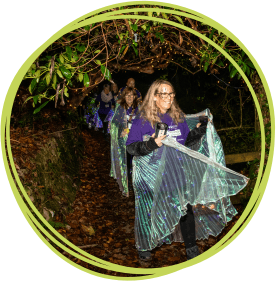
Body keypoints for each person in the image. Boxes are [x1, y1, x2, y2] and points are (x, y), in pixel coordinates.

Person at [126, 80, 249, 262]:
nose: (168, 98)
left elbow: (186, 143)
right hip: (151, 177)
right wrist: (151, 144)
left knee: (185, 210)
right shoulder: (142, 120)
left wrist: (198, 132)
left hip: (176, 174)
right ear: (154, 96)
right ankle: (145, 246)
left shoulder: (178, 117)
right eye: (164, 94)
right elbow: (131, 148)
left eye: (171, 94)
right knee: (148, 212)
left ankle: (191, 248)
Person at [110, 87, 139, 196]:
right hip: (124, 142)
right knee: (126, 163)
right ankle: (127, 184)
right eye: (127, 95)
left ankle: (135, 183)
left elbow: (142, 123)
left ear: (135, 96)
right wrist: (121, 129)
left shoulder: (138, 109)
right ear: (124, 97)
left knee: (135, 163)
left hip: (136, 140)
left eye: (131, 95)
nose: (129, 98)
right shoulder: (120, 109)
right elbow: (114, 123)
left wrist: (131, 129)